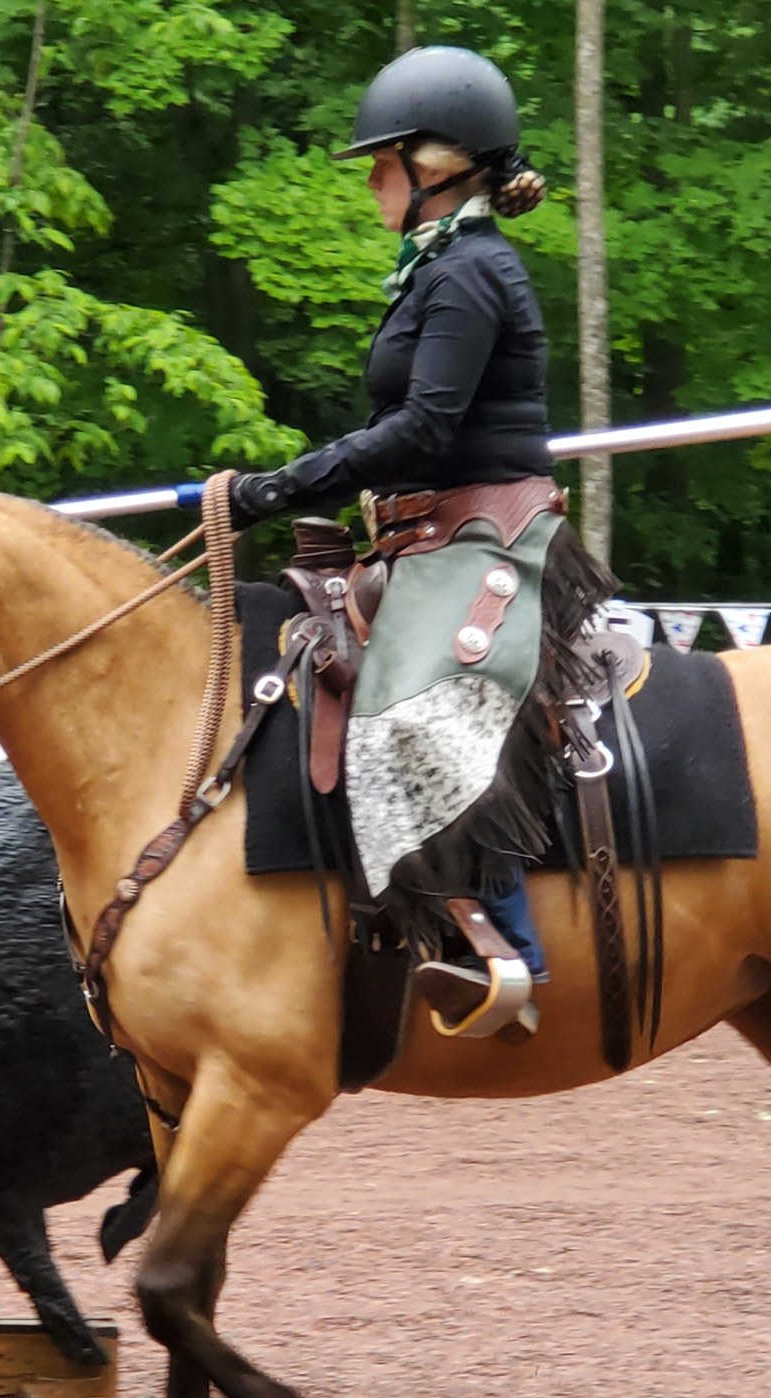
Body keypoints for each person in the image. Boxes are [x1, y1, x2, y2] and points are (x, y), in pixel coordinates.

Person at [228, 45, 618, 1040]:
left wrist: (279, 486)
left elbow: (421, 430)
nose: (371, 180)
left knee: (414, 706)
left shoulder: (472, 272)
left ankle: (498, 946)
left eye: (382, 162)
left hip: (486, 534)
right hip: (425, 534)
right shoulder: (434, 269)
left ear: (436, 166)